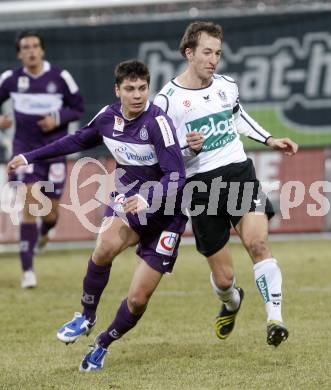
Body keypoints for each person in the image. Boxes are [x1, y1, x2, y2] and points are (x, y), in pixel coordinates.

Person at [8, 59, 187, 371]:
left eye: (142, 88)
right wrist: (29, 156)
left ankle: (103, 342)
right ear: (117, 90)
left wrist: (148, 197)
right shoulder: (108, 117)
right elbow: (77, 140)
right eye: (130, 89)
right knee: (103, 249)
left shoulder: (158, 124)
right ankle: (86, 317)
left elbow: (176, 177)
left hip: (165, 214)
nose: (137, 95)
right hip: (128, 199)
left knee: (138, 300)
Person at [154, 21, 298, 347]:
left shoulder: (226, 85)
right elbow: (161, 154)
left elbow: (238, 117)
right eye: (207, 52)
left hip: (238, 174)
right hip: (201, 188)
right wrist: (187, 148)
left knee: (258, 245)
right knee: (224, 278)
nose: (213, 59)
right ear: (189, 53)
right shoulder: (167, 101)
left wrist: (270, 139)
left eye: (217, 53)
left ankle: (275, 319)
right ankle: (231, 301)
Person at [0, 30, 84, 288]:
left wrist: (56, 118)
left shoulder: (60, 77)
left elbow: (78, 108)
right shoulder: (10, 79)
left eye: (35, 46)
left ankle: (45, 234)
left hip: (55, 152)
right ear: (19, 53)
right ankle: (27, 271)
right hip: (25, 152)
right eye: (26, 47)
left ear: (42, 50)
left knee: (50, 214)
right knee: (29, 202)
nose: (31, 51)